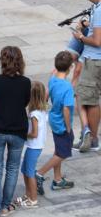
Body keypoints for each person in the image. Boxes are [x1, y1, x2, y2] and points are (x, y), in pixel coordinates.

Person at [0, 46, 30, 217]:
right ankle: (5, 206)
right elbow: (25, 102)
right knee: (12, 169)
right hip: (18, 130)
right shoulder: (26, 82)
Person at [39, 52, 78, 192]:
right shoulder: (67, 87)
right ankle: (40, 173)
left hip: (54, 120)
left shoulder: (53, 80)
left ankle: (57, 179)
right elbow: (66, 110)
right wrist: (68, 128)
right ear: (70, 67)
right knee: (63, 152)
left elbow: (47, 92)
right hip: (62, 123)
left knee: (58, 149)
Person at [71, 0, 101, 150]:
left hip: (94, 59)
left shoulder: (99, 10)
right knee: (90, 97)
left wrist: (81, 37)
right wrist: (88, 24)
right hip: (95, 59)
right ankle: (90, 135)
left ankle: (92, 138)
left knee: (88, 98)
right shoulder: (96, 9)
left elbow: (97, 41)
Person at [18, 81, 50, 208]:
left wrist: (23, 134)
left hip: (33, 146)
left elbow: (34, 133)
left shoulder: (34, 114)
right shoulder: (42, 111)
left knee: (29, 172)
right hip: (36, 146)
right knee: (25, 169)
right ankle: (28, 194)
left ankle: (33, 199)